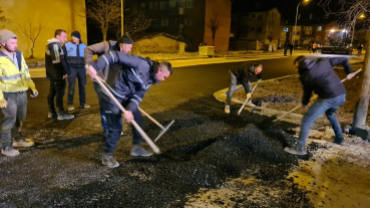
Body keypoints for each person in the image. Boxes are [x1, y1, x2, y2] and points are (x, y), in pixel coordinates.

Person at [87, 52, 172, 168]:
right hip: (111, 94)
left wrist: (130, 110)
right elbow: (114, 56)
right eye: (164, 77)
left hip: (126, 96)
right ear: (160, 71)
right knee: (116, 127)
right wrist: (95, 66)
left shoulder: (150, 80)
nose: (163, 80)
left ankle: (137, 148)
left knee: (137, 118)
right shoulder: (140, 63)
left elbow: (138, 96)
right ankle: (107, 155)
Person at [284, 56, 357, 155]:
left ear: (299, 64)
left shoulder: (305, 75)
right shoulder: (323, 61)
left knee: (307, 119)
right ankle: (339, 138)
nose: (297, 69)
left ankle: (300, 148)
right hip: (341, 95)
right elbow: (344, 60)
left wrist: (304, 102)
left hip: (329, 97)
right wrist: (349, 72)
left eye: (296, 67)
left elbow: (308, 92)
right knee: (330, 114)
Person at [84, 34, 133, 135]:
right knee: (106, 107)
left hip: (113, 84)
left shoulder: (124, 54)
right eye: (129, 47)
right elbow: (88, 49)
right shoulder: (106, 46)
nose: (130, 50)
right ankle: (108, 130)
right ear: (123, 45)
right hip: (101, 82)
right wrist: (90, 67)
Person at [0, 29, 38, 157]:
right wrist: (0, 98)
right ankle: (6, 147)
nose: (16, 45)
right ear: (3, 43)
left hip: (21, 92)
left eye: (16, 43)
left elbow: (26, 73)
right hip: (8, 94)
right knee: (8, 120)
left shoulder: (19, 55)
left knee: (19, 118)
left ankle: (17, 139)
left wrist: (32, 86)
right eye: (12, 43)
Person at [45, 29, 74, 120]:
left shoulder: (53, 45)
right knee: (59, 94)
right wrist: (64, 73)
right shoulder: (54, 45)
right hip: (57, 75)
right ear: (58, 37)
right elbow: (57, 62)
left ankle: (52, 112)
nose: (66, 39)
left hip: (54, 74)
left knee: (52, 93)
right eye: (64, 36)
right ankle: (61, 114)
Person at [64, 31, 90, 111]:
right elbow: (63, 58)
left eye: (74, 37)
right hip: (72, 68)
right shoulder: (67, 45)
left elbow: (87, 57)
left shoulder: (84, 46)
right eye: (72, 36)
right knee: (71, 86)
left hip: (81, 68)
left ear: (79, 38)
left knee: (82, 85)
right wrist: (65, 69)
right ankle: (70, 104)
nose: (73, 38)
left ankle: (83, 103)